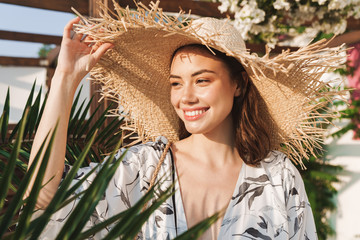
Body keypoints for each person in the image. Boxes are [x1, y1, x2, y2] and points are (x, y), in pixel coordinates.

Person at [27, 1, 345, 239]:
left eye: (202, 80)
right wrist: (65, 80)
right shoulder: (144, 167)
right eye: (176, 83)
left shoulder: (278, 176)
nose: (185, 97)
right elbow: (43, 198)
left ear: (238, 84)